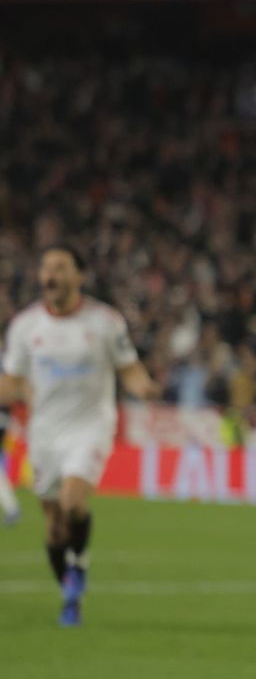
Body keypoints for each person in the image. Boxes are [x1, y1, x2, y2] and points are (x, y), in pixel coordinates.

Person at [1, 245, 159, 625]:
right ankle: (69, 591)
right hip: (45, 431)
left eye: (60, 267)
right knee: (54, 527)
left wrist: (145, 389)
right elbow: (12, 380)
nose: (50, 274)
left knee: (74, 501)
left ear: (79, 277)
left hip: (90, 425)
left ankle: (79, 568)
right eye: (46, 268)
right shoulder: (26, 327)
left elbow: (129, 368)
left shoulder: (105, 322)